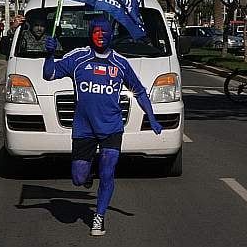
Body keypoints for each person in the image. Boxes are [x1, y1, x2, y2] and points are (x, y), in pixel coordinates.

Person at [43, 16, 162, 237]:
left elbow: (139, 91)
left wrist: (152, 117)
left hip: (111, 128)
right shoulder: (78, 59)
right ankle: (87, 175)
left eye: (105, 31)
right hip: (84, 128)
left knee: (108, 173)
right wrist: (49, 54)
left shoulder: (120, 63)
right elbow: (49, 74)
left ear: (111, 34)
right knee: (78, 178)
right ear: (91, 33)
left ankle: (99, 216)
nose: (101, 35)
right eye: (97, 31)